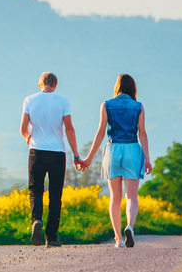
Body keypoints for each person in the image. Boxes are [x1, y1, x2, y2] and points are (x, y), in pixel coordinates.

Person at [79, 74, 152, 248]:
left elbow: (100, 132)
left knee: (115, 197)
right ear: (133, 88)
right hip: (132, 149)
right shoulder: (138, 106)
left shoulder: (106, 105)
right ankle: (130, 227)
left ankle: (118, 238)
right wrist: (147, 159)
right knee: (131, 197)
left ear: (117, 87)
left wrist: (89, 158)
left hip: (113, 149)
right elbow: (142, 133)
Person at [20, 71, 81, 247]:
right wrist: (76, 155)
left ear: (40, 84)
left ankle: (36, 220)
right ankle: (51, 237)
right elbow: (69, 129)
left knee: (35, 190)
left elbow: (23, 128)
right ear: (55, 85)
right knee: (56, 195)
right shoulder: (63, 101)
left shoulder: (29, 100)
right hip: (57, 153)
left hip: (36, 151)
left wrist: (28, 137)